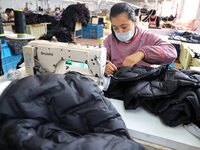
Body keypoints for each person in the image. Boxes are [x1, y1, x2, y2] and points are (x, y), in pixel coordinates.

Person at [104, 3, 177, 75]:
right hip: (117, 80)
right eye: (115, 28)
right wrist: (105, 65)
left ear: (135, 22)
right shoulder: (110, 40)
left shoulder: (147, 37)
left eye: (124, 27)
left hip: (142, 80)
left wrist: (143, 54)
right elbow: (99, 58)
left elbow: (171, 52)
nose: (120, 31)